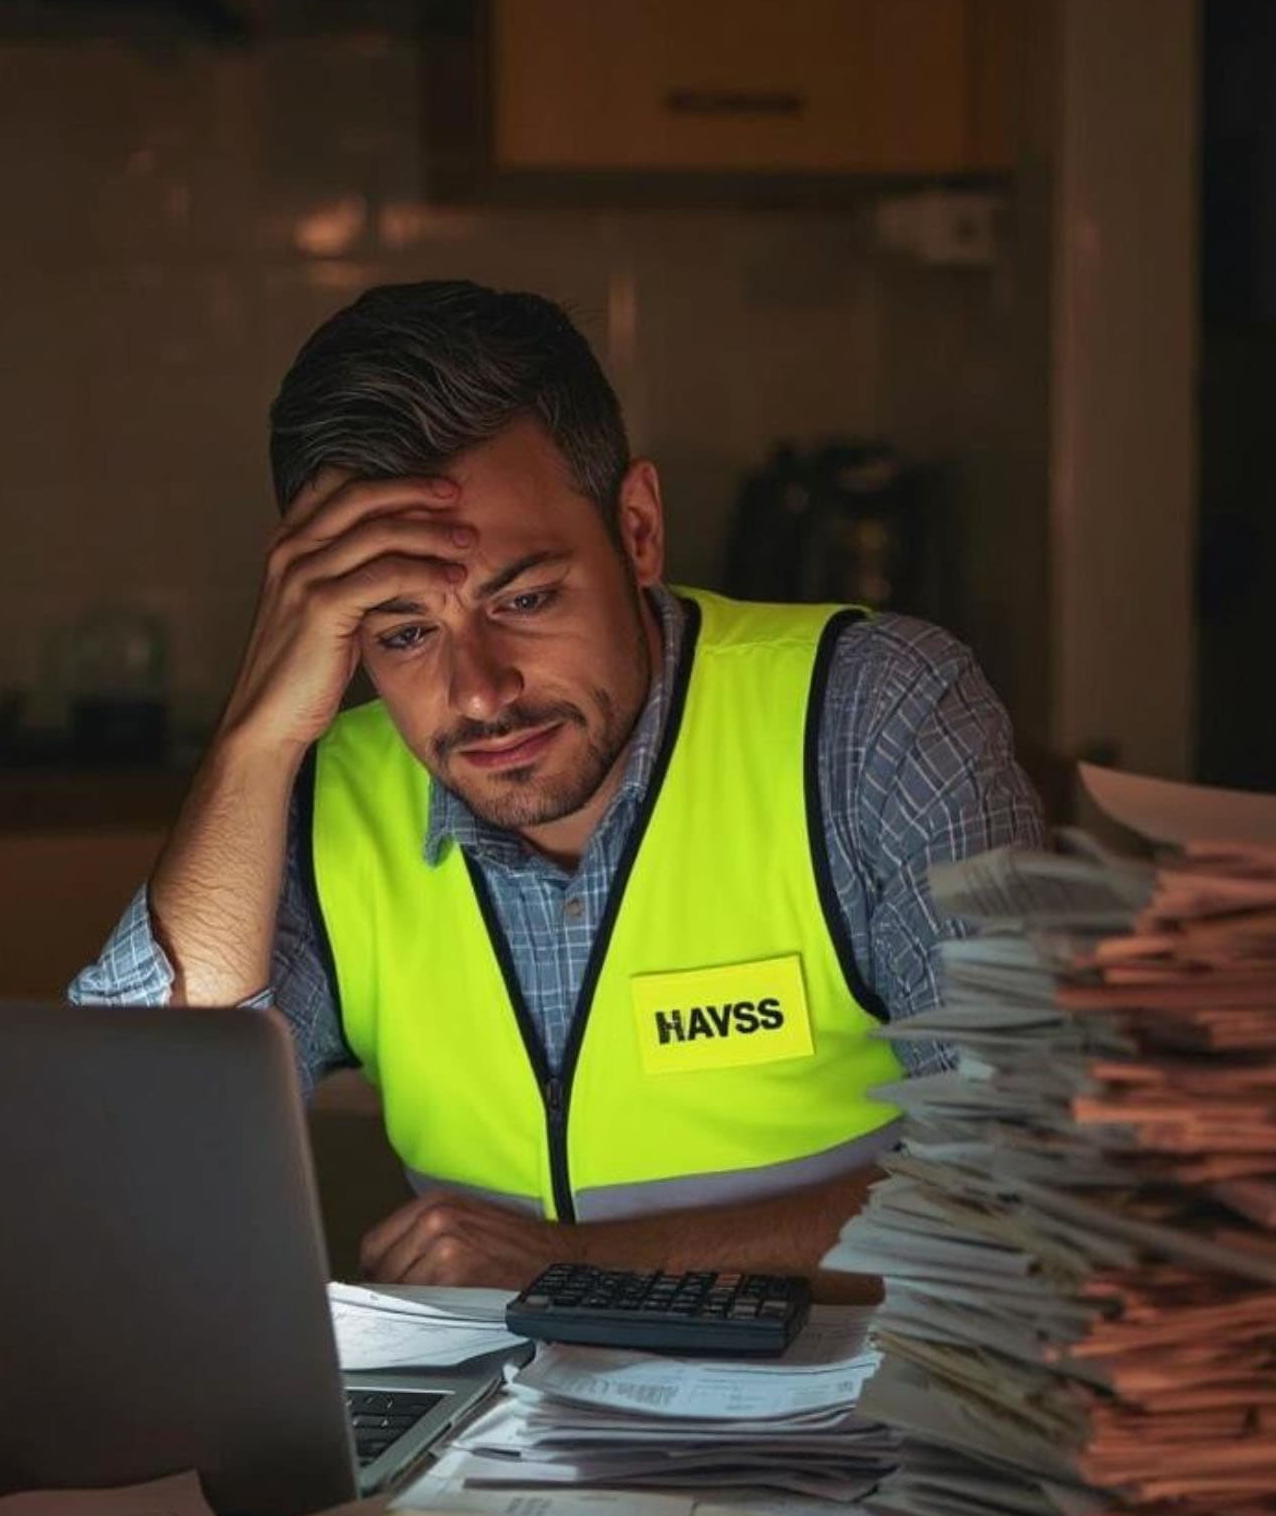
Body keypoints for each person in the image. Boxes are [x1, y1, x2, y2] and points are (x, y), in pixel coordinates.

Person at [71, 280, 1043, 1290]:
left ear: (635, 530)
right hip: (498, 1435)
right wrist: (253, 739)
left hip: (853, 1415)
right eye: (404, 632)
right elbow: (129, 1165)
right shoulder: (322, 794)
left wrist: (580, 1266)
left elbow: (1023, 1176)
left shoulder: (870, 715)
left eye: (525, 597)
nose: (480, 692)